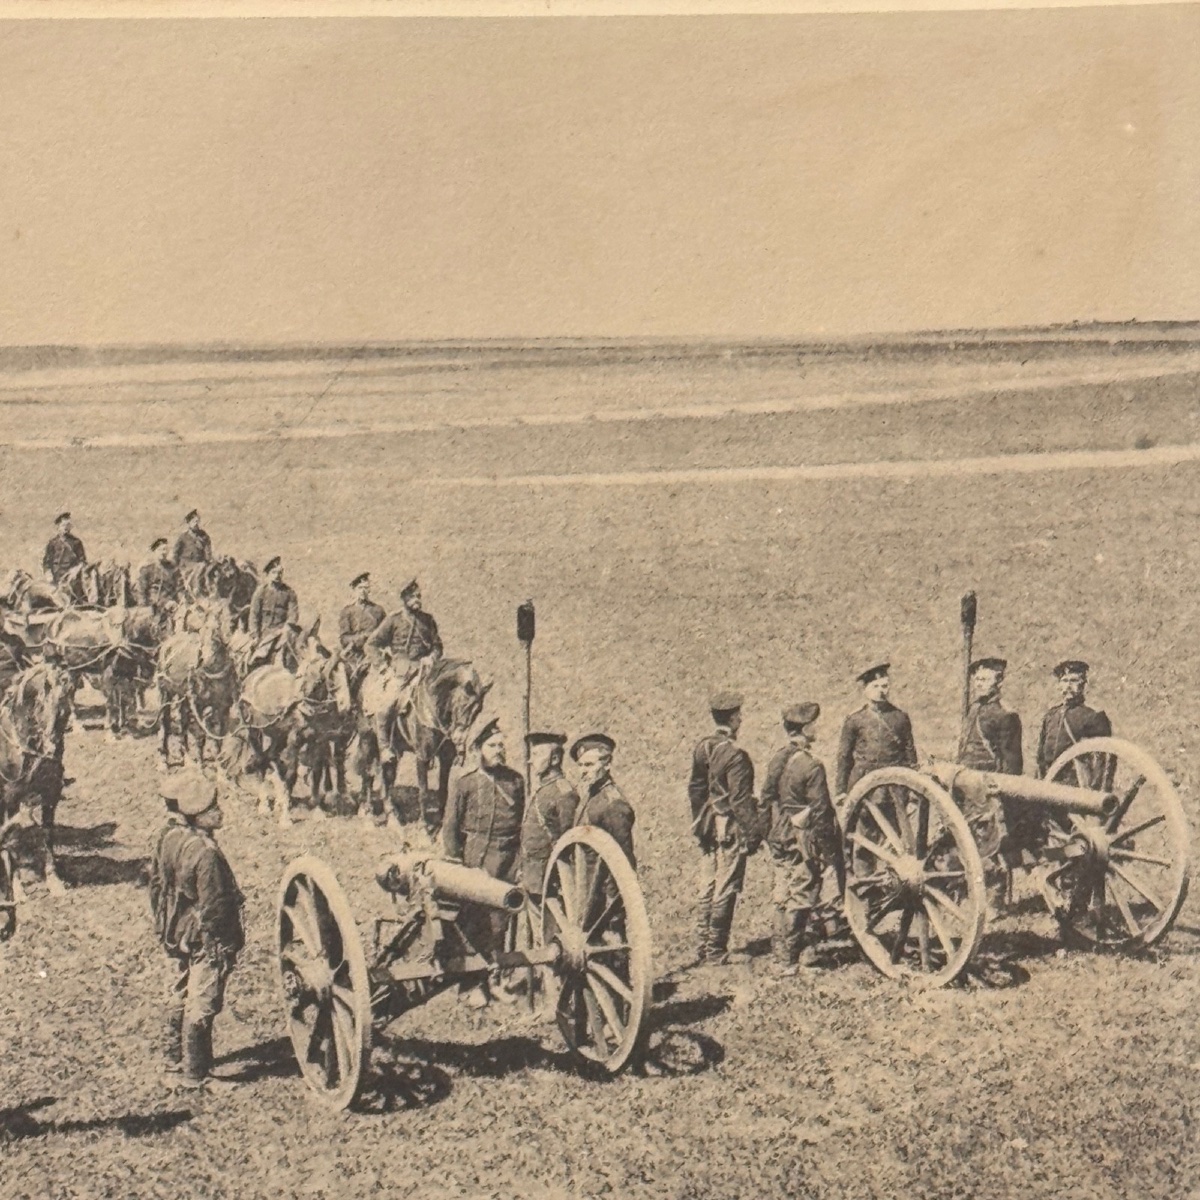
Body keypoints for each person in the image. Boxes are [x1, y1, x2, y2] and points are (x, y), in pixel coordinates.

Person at [148, 770, 245, 1090]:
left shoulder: (168, 837)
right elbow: (216, 904)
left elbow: (158, 886)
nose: (220, 812)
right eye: (212, 808)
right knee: (203, 1002)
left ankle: (172, 1061)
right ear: (196, 813)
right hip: (204, 936)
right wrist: (227, 942)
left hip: (175, 929)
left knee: (177, 992)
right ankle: (196, 1075)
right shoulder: (206, 852)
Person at [442, 718, 525, 1009]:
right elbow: (450, 826)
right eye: (492, 745)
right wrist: (455, 863)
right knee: (472, 922)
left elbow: (522, 824)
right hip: (474, 860)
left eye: (501, 745)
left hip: (505, 860)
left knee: (499, 924)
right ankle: (471, 984)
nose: (498, 750)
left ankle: (496, 980)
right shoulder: (465, 782)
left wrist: (518, 862)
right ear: (478, 749)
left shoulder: (515, 781)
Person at [763, 703, 844, 973]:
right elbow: (821, 813)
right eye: (814, 725)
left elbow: (766, 799)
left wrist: (770, 833)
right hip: (802, 837)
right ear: (805, 729)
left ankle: (779, 952)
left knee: (782, 891)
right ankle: (790, 960)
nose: (817, 728)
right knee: (801, 894)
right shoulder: (812, 767)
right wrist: (831, 852)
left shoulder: (778, 758)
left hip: (779, 833)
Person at [687, 691, 756, 966]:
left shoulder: (702, 747)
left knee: (707, 883)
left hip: (706, 822)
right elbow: (740, 801)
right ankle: (716, 949)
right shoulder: (736, 756)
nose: (741, 719)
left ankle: (702, 945)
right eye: (739, 715)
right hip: (728, 825)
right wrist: (753, 833)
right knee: (726, 885)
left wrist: (699, 822)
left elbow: (695, 789)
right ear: (734, 718)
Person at [365, 578, 443, 761]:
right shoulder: (393, 620)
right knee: (387, 702)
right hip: (400, 671)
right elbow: (371, 644)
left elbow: (438, 646)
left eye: (419, 596)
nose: (418, 599)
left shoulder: (428, 620)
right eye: (413, 596)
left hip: (424, 671)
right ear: (404, 598)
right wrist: (382, 667)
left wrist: (432, 657)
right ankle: (385, 748)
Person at [834, 663, 918, 801]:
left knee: (893, 821)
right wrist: (841, 791)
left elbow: (910, 753)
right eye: (875, 686)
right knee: (862, 820)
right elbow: (844, 756)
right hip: (863, 782)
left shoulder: (900, 717)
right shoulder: (855, 719)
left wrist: (913, 787)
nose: (881, 691)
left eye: (884, 686)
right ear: (865, 690)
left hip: (893, 782)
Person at [519, 731, 580, 901]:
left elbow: (568, 842)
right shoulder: (544, 789)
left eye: (537, 755)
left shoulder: (564, 793)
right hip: (533, 875)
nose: (531, 761)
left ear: (554, 759)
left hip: (551, 878)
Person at [1036, 660, 1112, 778]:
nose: (1068, 686)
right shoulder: (1051, 715)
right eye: (1064, 681)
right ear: (1059, 685)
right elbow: (1041, 756)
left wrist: (1093, 792)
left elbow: (1101, 759)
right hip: (1049, 779)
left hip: (1076, 783)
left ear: (1083, 684)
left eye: (1074, 681)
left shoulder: (1093, 717)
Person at [571, 733, 636, 868]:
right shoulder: (590, 796)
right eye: (580, 765)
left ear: (607, 765)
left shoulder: (614, 804)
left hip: (602, 886)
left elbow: (623, 861)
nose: (583, 771)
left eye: (589, 765)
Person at [247, 557, 299, 667]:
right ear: (268, 574)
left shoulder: (289, 593)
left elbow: (293, 613)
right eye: (274, 572)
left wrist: (288, 626)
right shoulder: (261, 592)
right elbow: (254, 616)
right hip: (265, 632)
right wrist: (255, 635)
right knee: (253, 657)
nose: (277, 576)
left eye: (280, 573)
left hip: (282, 630)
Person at [338, 572, 385, 688]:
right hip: (355, 654)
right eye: (360, 588)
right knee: (346, 678)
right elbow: (344, 638)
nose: (363, 591)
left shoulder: (378, 610)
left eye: (366, 588)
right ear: (354, 590)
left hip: (375, 653)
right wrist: (363, 637)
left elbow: (386, 633)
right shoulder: (347, 612)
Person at [173, 509, 213, 597]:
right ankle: (196, 589)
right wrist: (176, 566)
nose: (196, 523)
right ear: (189, 523)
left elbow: (208, 549)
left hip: (200, 562)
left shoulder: (203, 535)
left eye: (197, 521)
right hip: (186, 564)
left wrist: (208, 560)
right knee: (200, 567)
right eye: (193, 521)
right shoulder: (183, 537)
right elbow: (176, 553)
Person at [41, 512, 86, 587]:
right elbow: (46, 563)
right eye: (63, 525)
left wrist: (75, 570)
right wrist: (48, 575)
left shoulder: (76, 542)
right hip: (55, 579)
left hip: (72, 580)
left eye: (68, 525)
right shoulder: (53, 543)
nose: (65, 528)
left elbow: (82, 561)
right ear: (58, 527)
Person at [137, 538, 182, 613]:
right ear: (154, 551)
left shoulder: (172, 568)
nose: (163, 552)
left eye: (165, 549)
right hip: (154, 605)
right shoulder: (147, 569)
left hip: (172, 603)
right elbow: (141, 592)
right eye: (160, 550)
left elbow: (180, 587)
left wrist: (180, 601)